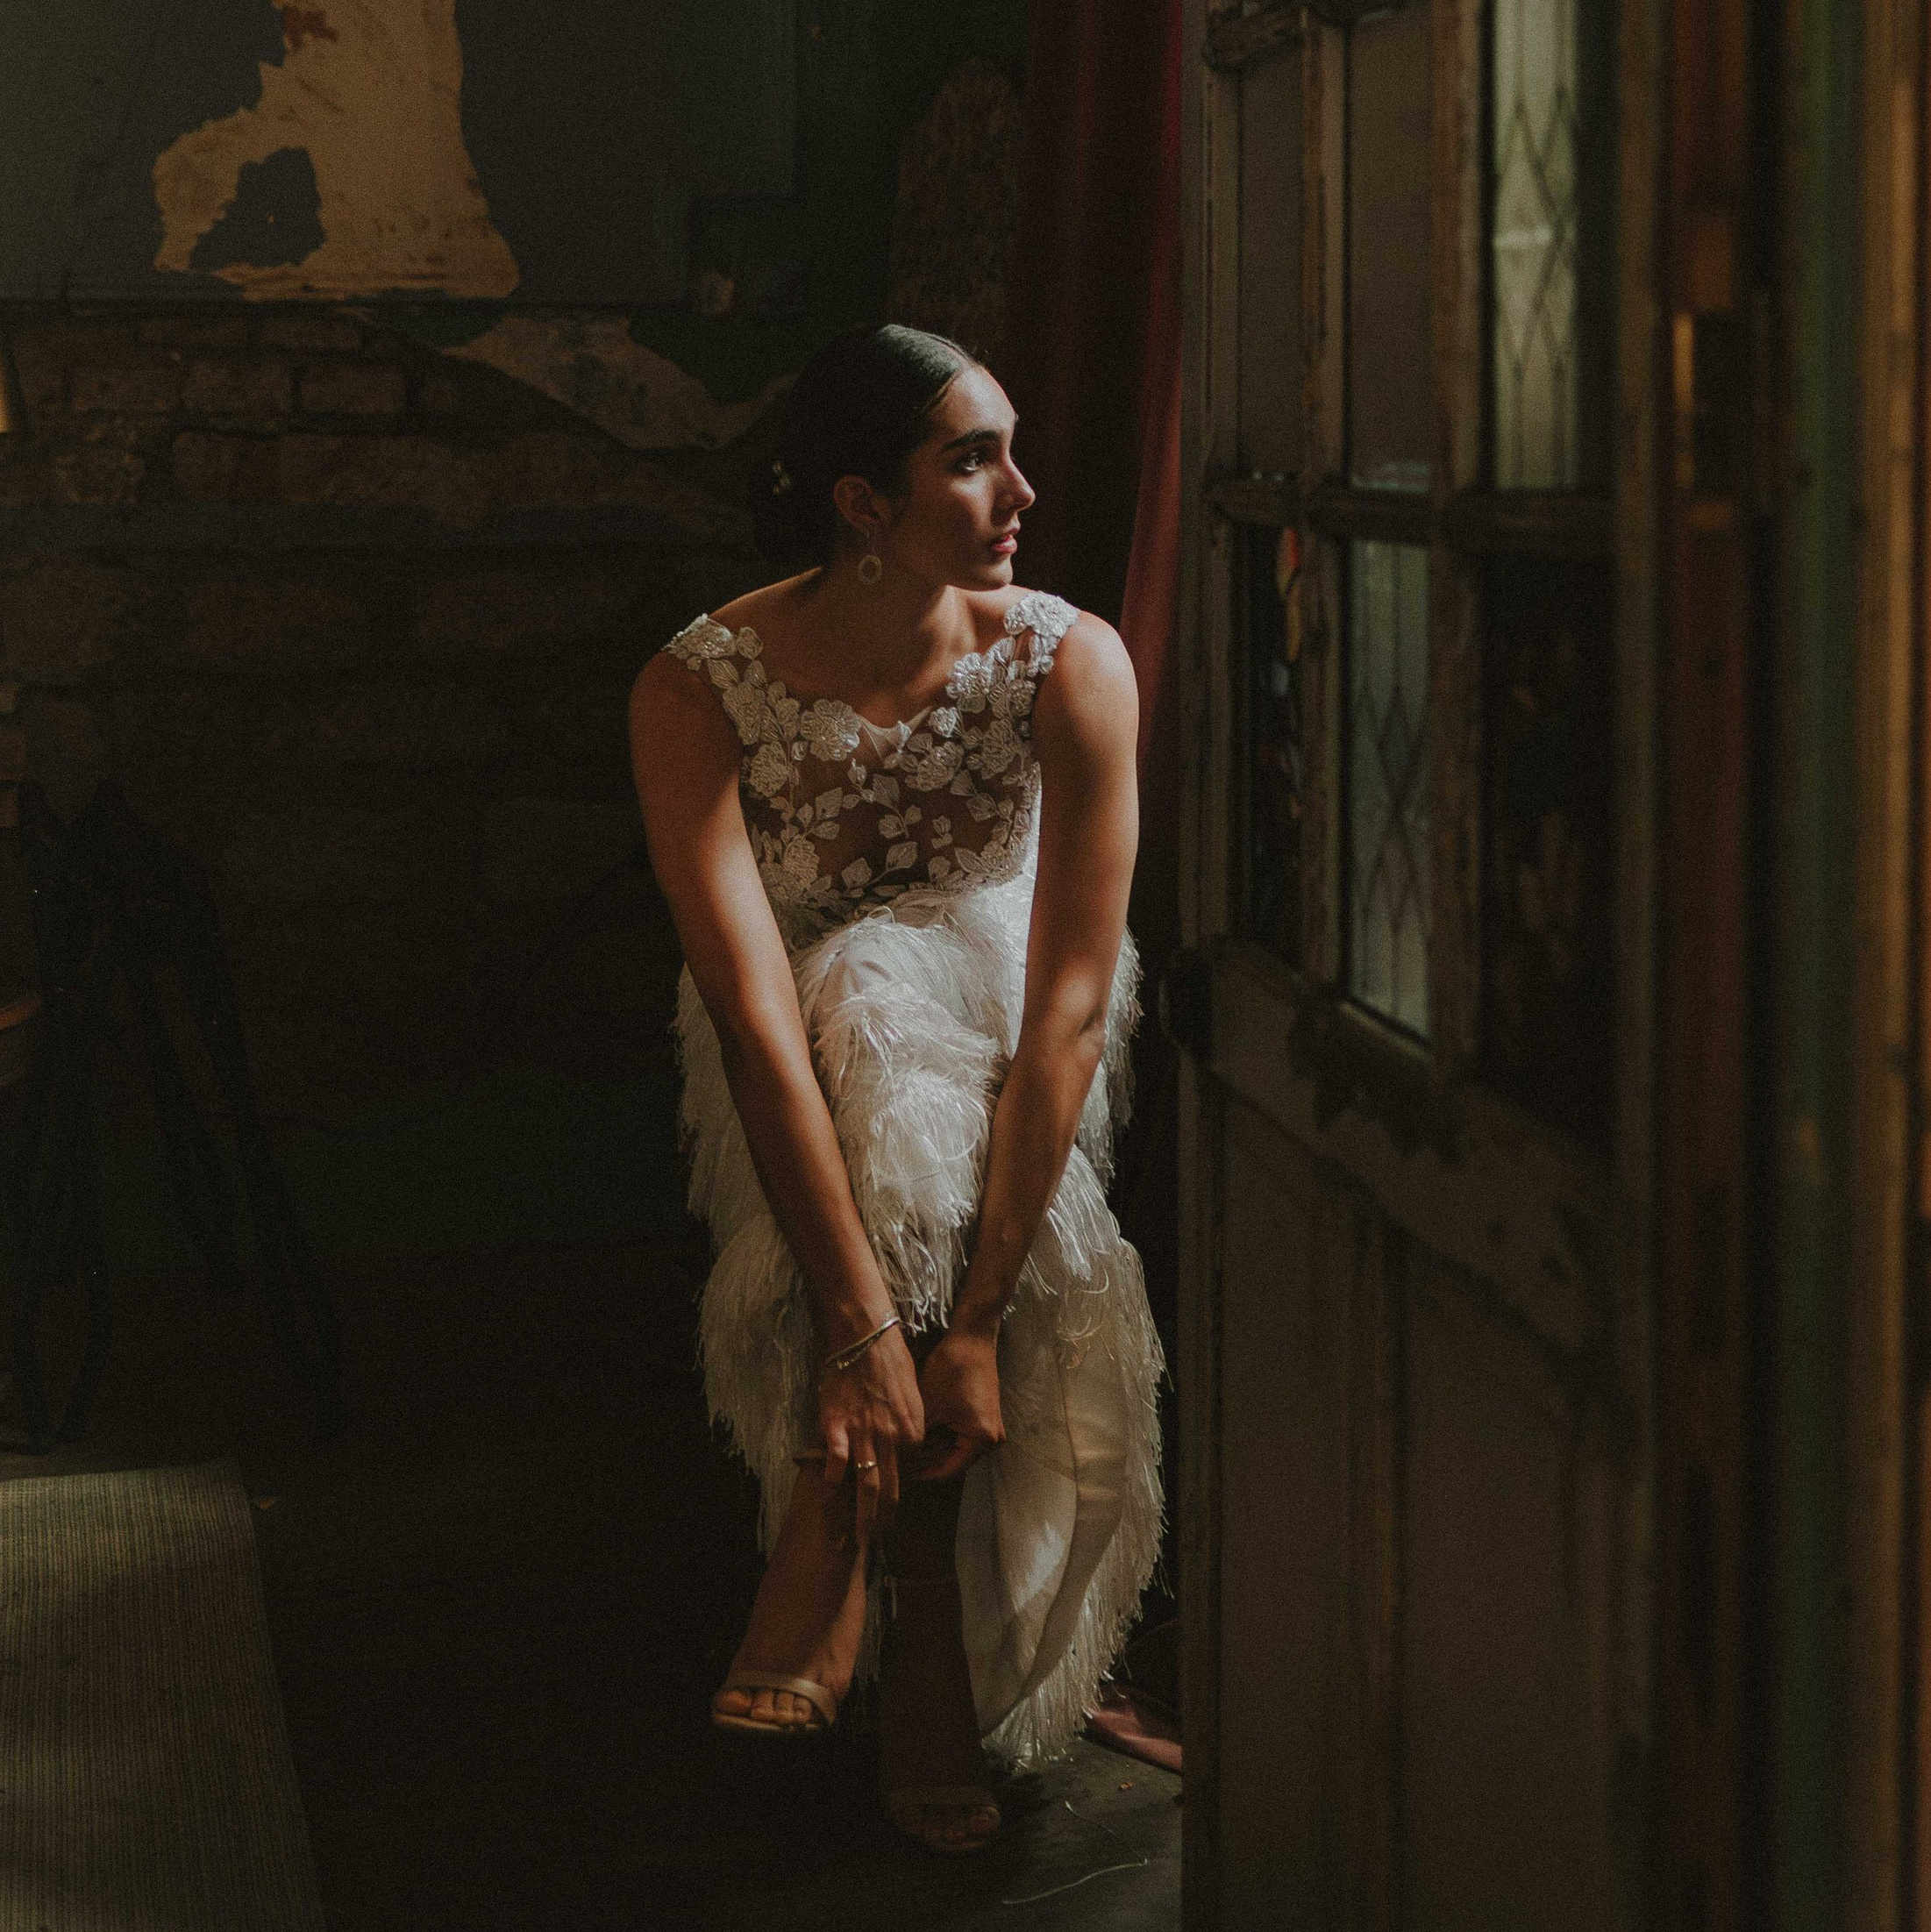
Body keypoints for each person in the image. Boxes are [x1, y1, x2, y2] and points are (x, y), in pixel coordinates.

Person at [628, 323, 1163, 1855]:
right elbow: (748, 1018)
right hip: (798, 1043)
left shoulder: (1068, 659)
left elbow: (1065, 1009)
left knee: (913, 1055)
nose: (1023, 490)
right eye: (971, 457)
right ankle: (922, 1641)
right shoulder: (699, 685)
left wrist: (975, 1321)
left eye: (1009, 446)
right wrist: (873, 1336)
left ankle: (838, 1536)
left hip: (1009, 1018)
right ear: (862, 503)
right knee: (855, 1003)